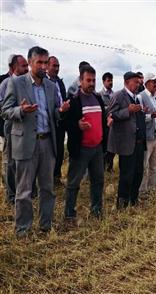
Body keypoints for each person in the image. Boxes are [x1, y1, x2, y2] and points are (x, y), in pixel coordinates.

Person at [2, 46, 70, 236]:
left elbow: (52, 112)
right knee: (23, 191)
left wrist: (61, 111)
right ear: (30, 63)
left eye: (45, 62)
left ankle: (45, 225)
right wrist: (21, 111)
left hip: (47, 142)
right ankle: (23, 229)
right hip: (26, 143)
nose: (43, 66)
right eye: (39, 62)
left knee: (47, 188)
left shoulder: (50, 86)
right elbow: (6, 111)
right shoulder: (16, 84)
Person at [62, 65, 106, 220]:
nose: (92, 83)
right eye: (88, 80)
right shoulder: (74, 101)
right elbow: (65, 123)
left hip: (97, 148)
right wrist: (77, 126)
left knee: (98, 181)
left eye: (94, 80)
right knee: (74, 183)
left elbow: (102, 121)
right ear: (80, 80)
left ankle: (96, 211)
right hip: (81, 149)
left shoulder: (98, 98)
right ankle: (69, 215)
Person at [107, 71, 146, 207]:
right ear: (127, 82)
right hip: (127, 143)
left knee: (138, 173)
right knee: (126, 175)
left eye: (138, 82)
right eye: (135, 82)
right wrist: (127, 110)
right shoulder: (119, 95)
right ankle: (122, 204)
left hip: (139, 142)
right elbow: (111, 114)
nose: (137, 84)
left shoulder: (137, 98)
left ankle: (133, 200)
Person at [0, 55, 29, 204]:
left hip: (25, 127)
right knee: (11, 161)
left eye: (27, 66)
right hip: (11, 126)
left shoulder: (27, 83)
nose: (26, 69)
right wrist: (20, 109)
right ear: (13, 68)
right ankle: (11, 195)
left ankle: (25, 191)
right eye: (23, 66)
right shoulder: (7, 83)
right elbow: (3, 109)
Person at [139, 73, 156, 193]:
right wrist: (153, 115)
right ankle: (142, 191)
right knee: (144, 166)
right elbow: (140, 118)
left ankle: (151, 189)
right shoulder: (141, 97)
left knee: (155, 165)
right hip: (147, 137)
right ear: (147, 83)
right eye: (154, 81)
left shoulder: (155, 98)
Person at [46, 56, 67, 184]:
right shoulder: (43, 82)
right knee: (49, 152)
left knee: (59, 150)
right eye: (54, 66)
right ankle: (48, 179)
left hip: (61, 121)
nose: (56, 68)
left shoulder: (59, 81)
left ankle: (56, 177)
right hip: (50, 122)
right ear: (47, 66)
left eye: (58, 66)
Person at [99, 72, 115, 172]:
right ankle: (103, 167)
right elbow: (101, 110)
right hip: (104, 125)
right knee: (105, 147)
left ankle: (110, 167)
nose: (110, 83)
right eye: (108, 81)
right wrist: (109, 108)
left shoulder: (114, 94)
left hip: (113, 124)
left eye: (111, 80)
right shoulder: (100, 95)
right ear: (104, 81)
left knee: (112, 147)